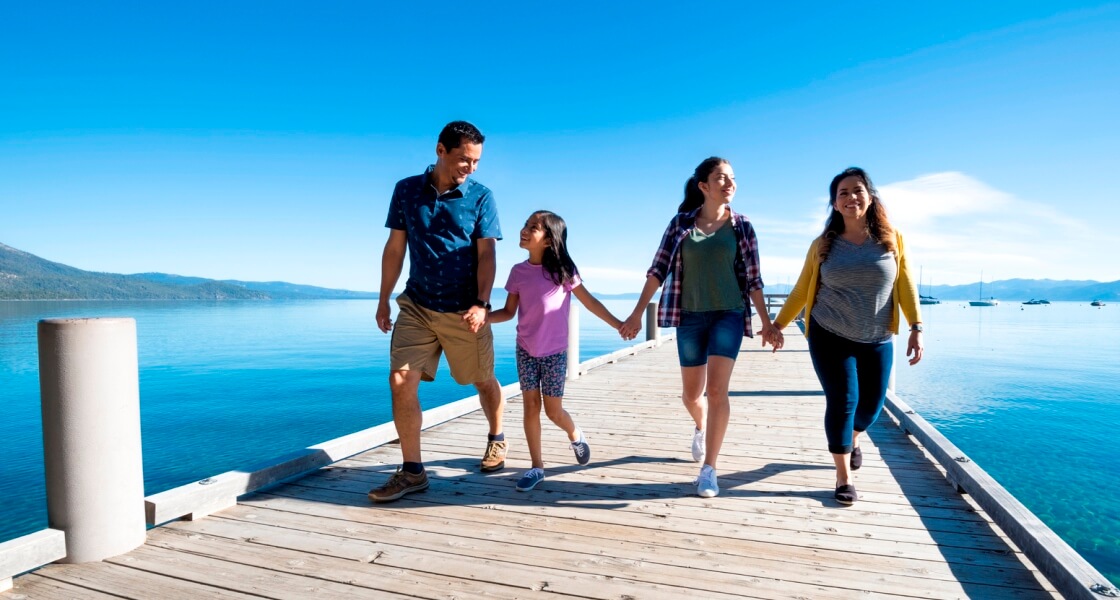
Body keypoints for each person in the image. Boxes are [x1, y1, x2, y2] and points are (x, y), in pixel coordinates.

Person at [619, 157, 776, 498]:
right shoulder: (680, 225)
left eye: (732, 177)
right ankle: (701, 426)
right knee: (691, 395)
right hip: (689, 315)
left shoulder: (743, 226)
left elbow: (754, 278)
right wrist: (634, 314)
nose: (729, 183)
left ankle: (709, 469)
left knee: (718, 392)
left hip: (728, 315)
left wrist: (767, 323)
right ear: (704, 185)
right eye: (721, 178)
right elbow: (657, 270)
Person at [767, 166, 924, 506]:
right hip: (829, 333)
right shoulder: (823, 245)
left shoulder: (892, 238)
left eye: (857, 190)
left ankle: (852, 439)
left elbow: (906, 285)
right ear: (835, 204)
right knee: (843, 402)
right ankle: (843, 477)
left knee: (870, 408)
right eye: (843, 193)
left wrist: (916, 327)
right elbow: (800, 291)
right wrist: (778, 325)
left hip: (878, 336)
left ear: (869, 197)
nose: (851, 197)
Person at [368, 121, 507, 503]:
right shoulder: (406, 190)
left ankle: (497, 436)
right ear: (440, 150)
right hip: (417, 305)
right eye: (465, 159)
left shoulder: (481, 197)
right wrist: (383, 298)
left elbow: (487, 254)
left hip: (466, 310)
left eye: (476, 161)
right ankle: (413, 471)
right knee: (400, 380)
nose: (471, 168)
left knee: (482, 380)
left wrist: (482, 303)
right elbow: (395, 248)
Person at [488, 210, 631, 492]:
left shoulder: (563, 272)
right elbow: (507, 312)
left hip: (554, 352)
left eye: (533, 227)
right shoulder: (518, 272)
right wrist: (483, 317)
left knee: (553, 412)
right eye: (525, 225)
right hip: (526, 349)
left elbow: (589, 302)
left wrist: (618, 324)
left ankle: (576, 435)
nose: (525, 230)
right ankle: (537, 467)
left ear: (549, 239)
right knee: (530, 406)